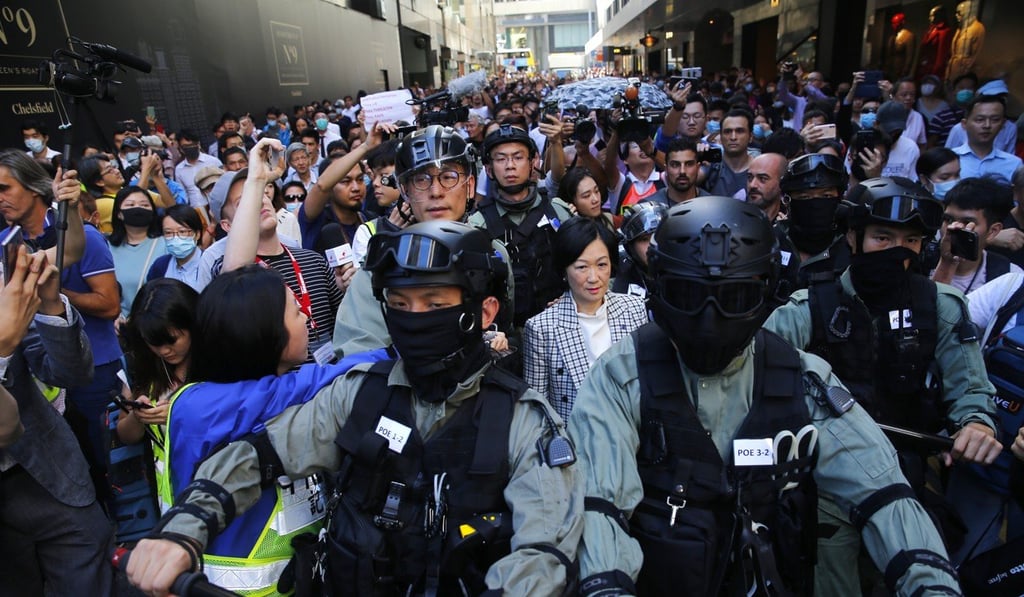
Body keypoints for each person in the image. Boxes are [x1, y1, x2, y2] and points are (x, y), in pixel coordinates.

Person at [125, 222, 583, 597]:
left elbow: (542, 551)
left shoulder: (524, 420)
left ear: (483, 313)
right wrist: (183, 530)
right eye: (400, 305)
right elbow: (257, 456)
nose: (414, 317)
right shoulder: (359, 394)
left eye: (433, 304)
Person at [569, 196, 960, 596]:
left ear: (765, 291)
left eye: (734, 297)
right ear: (659, 286)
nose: (709, 319)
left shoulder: (800, 377)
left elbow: (882, 492)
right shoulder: (623, 373)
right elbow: (600, 502)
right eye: (690, 294)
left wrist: (931, 583)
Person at [764, 176, 1001, 594]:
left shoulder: (940, 306)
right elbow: (757, 370)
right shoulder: (810, 304)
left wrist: (977, 424)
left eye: (910, 241)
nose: (896, 251)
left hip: (907, 470)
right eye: (882, 236)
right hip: (824, 480)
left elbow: (970, 387)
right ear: (853, 238)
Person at [335, 124, 513, 359]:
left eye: (449, 177)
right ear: (405, 191)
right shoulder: (383, 261)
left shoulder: (495, 253)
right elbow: (356, 355)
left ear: (470, 187)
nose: (436, 191)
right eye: (421, 180)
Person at [523, 217, 646, 421]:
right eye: (581, 267)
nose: (593, 277)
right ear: (564, 270)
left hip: (633, 435)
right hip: (575, 439)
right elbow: (537, 409)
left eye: (601, 265)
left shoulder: (634, 309)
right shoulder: (542, 329)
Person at [469, 124, 572, 328]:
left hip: (560, 327)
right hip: (508, 338)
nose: (510, 166)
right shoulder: (477, 227)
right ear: (488, 169)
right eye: (500, 159)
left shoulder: (557, 213)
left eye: (518, 157)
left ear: (533, 162)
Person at [773, 153, 850, 299]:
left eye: (826, 196)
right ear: (788, 200)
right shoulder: (772, 240)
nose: (815, 204)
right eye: (804, 197)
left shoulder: (851, 246)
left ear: (840, 198)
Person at [931, 177, 1021, 294]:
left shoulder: (1011, 278)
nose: (954, 227)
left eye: (967, 222)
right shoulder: (919, 266)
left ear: (993, 231)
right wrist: (946, 264)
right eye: (948, 219)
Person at [108, 185, 169, 318]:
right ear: (119, 213)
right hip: (116, 324)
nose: (138, 208)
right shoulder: (106, 247)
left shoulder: (166, 244)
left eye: (144, 205)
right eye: (130, 204)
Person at [952, 94, 1023, 184]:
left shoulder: (1014, 164)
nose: (987, 125)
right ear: (964, 124)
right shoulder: (950, 159)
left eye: (995, 119)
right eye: (980, 119)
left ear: (1003, 124)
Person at [611, 201, 666, 299]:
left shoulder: (688, 271)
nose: (653, 244)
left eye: (659, 236)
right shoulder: (621, 287)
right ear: (630, 247)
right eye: (644, 239)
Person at [145, 204, 205, 289]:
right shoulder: (160, 265)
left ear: (197, 234)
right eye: (168, 233)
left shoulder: (211, 264)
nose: (175, 238)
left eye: (182, 232)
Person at [643, 137, 707, 207]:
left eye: (689, 164)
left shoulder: (711, 206)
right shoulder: (649, 207)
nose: (682, 171)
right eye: (675, 165)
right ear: (666, 169)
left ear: (698, 168)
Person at [745, 151, 787, 222]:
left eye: (763, 178)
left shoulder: (791, 224)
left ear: (782, 182)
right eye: (750, 177)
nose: (752, 185)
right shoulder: (736, 220)